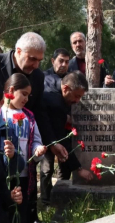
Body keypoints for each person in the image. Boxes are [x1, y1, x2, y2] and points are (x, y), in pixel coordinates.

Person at [0, 73, 47, 223]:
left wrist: (38, 150)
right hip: (2, 173)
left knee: (20, 211)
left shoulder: (28, 117)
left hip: (23, 173)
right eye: (24, 94)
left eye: (29, 95)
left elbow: (35, 140)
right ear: (11, 90)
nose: (26, 99)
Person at [40, 71, 94, 204]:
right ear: (65, 88)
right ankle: (45, 202)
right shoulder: (56, 103)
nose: (77, 101)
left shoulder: (50, 80)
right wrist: (78, 169)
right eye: (76, 96)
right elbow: (61, 139)